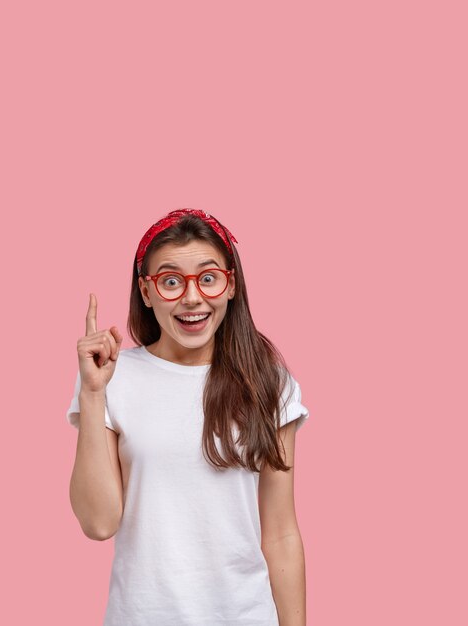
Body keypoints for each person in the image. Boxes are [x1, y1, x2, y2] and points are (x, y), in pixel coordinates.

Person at [67, 208, 310, 626]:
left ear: (230, 285)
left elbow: (281, 532)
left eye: (208, 277)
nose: (192, 298)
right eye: (171, 281)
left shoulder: (270, 383)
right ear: (146, 292)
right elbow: (98, 522)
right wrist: (92, 393)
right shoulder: (112, 378)